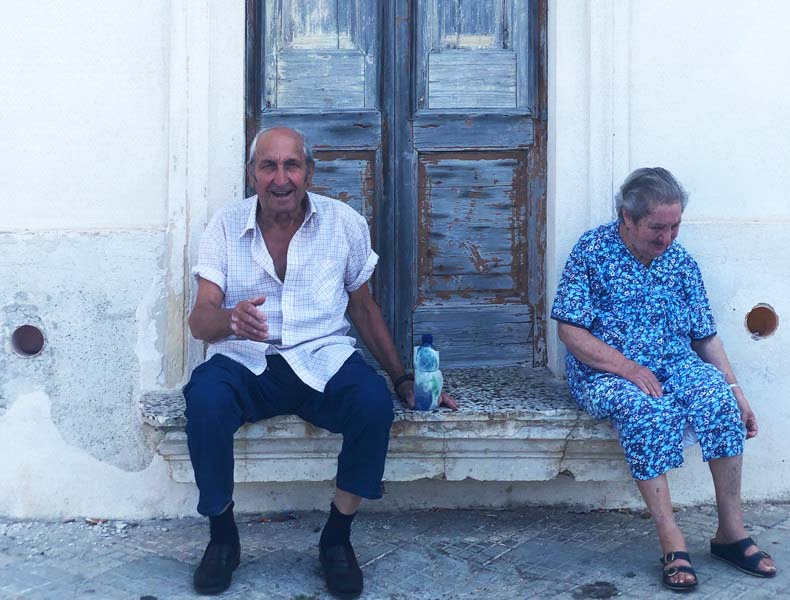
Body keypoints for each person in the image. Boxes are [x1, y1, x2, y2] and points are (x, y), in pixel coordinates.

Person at [183, 126, 457, 596]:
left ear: (309, 172)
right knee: (204, 400)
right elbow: (199, 319)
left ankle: (336, 538)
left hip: (322, 357)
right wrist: (231, 320)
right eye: (268, 165)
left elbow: (363, 308)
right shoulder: (225, 226)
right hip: (248, 359)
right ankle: (223, 536)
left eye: (291, 165)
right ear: (253, 174)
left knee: (372, 405)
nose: (280, 177)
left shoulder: (343, 223)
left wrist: (400, 377)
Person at [551, 167, 777, 591]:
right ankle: (672, 539)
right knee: (645, 408)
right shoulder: (592, 252)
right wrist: (628, 368)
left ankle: (731, 532)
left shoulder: (680, 261)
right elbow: (571, 330)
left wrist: (736, 392)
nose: (667, 238)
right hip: (607, 370)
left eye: (675, 226)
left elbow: (705, 337)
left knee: (717, 400)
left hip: (674, 364)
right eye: (657, 227)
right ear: (627, 217)